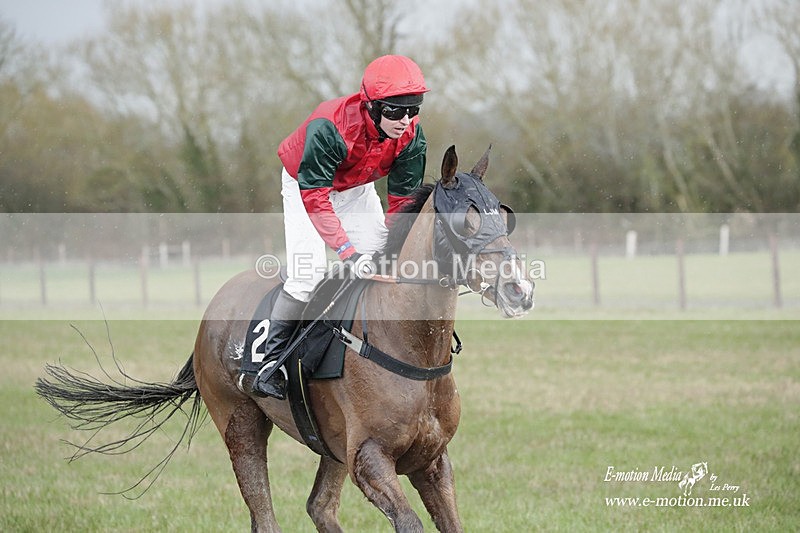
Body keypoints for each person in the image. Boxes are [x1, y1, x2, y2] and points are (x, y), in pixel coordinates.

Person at [246, 54, 429, 399]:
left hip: (356, 189)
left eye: (413, 108)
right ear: (371, 106)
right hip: (308, 185)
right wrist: (348, 252)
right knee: (310, 273)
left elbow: (402, 205)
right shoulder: (329, 126)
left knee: (383, 265)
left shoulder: (411, 137)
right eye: (394, 111)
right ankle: (271, 363)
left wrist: (382, 252)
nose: (405, 120)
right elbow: (316, 199)